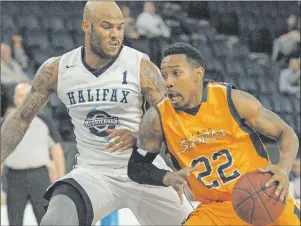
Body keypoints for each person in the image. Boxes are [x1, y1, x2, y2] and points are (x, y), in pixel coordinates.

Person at [0, 2, 192, 226]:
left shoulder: (142, 68)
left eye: (120, 28)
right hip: (93, 173)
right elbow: (22, 118)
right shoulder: (58, 69)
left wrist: (141, 138)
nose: (115, 35)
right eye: (107, 27)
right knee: (54, 222)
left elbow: (171, 122)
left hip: (144, 169)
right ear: (86, 26)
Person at [128, 42, 300, 225]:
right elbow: (136, 167)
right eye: (164, 75)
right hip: (214, 209)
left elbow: (285, 132)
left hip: (263, 195)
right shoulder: (156, 118)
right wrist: (166, 177)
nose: (168, 82)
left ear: (198, 74)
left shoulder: (233, 100)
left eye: (176, 73)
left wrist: (282, 168)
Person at [2, 82, 65, 225]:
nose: (24, 100)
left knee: (45, 220)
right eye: (20, 96)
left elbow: (56, 151)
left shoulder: (44, 121)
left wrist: (61, 179)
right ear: (14, 98)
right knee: (15, 221)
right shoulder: (5, 123)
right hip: (14, 178)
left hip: (40, 177)